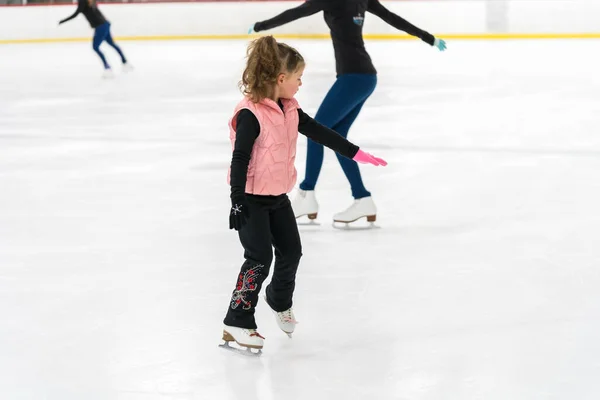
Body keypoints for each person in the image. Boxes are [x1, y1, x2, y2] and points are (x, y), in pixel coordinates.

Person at [220, 35, 386, 353]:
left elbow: (322, 133)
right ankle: (236, 322)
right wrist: (237, 200)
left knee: (291, 252)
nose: (300, 83)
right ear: (281, 79)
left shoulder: (290, 110)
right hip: (250, 200)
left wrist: (356, 154)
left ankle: (278, 299)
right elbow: (239, 158)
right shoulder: (250, 114)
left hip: (277, 197)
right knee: (258, 258)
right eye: (298, 77)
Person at [249, 0, 446, 225]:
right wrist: (428, 37)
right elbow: (393, 18)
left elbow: (297, 12)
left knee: (317, 132)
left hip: (353, 77)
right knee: (336, 136)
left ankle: (307, 194)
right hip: (365, 77)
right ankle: (362, 198)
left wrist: (259, 26)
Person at [58, 0, 131, 77]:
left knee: (95, 47)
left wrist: (63, 21)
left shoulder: (82, 2)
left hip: (101, 26)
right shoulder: (90, 1)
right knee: (111, 43)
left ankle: (107, 67)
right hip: (105, 24)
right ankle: (125, 63)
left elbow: (76, 14)